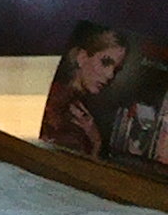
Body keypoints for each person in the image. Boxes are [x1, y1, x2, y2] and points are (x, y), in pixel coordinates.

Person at [42, 23, 129, 157]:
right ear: (82, 57)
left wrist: (96, 141)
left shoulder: (81, 108)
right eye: (105, 62)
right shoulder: (55, 103)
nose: (110, 75)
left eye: (116, 69)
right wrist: (95, 143)